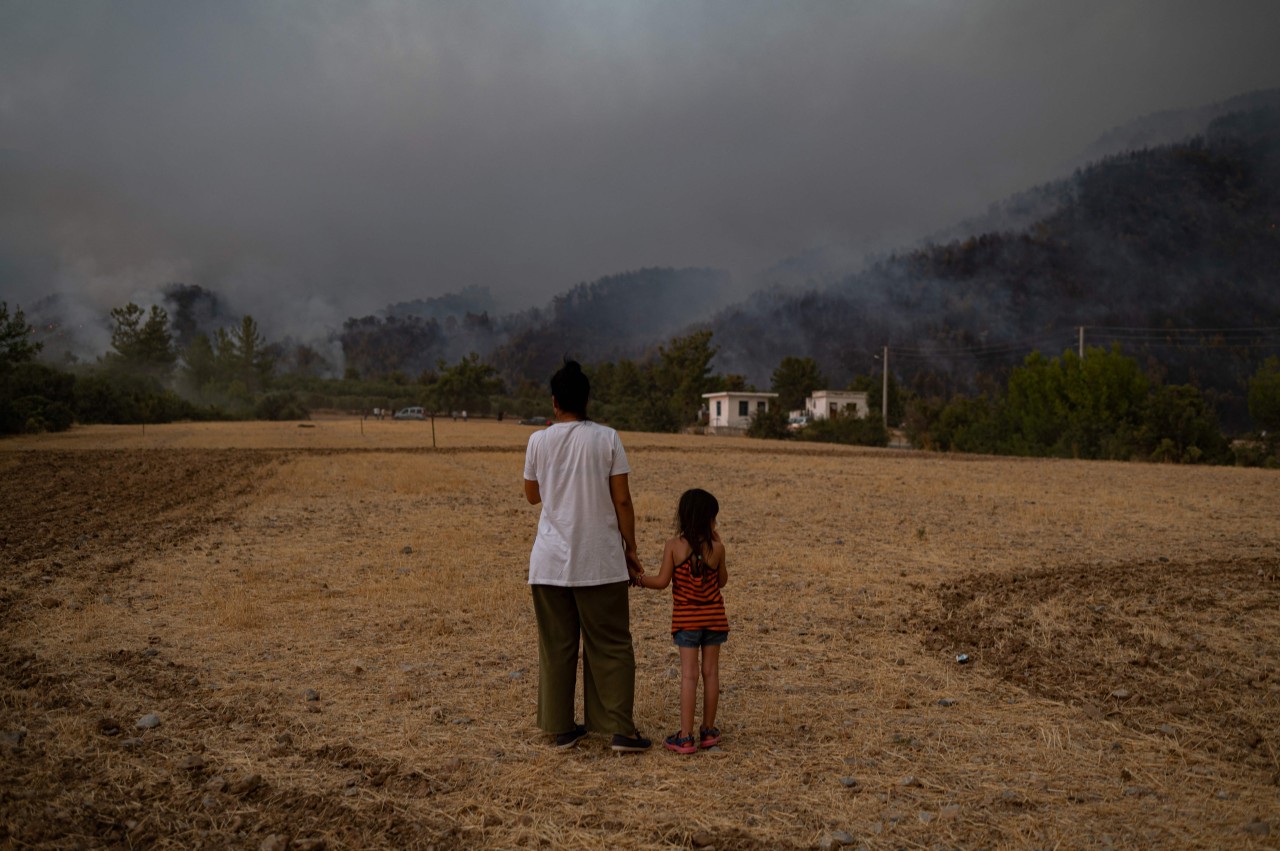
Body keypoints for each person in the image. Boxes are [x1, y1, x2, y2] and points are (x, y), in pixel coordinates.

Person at [523, 360, 651, 752]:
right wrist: (630, 549)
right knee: (611, 643)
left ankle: (561, 728)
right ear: (587, 399)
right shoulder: (608, 438)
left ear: (555, 401)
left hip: (549, 563)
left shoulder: (538, 441)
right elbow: (623, 501)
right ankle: (618, 730)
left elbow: (532, 495)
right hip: (600, 560)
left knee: (558, 645)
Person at [634, 488, 729, 753]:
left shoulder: (674, 546)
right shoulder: (718, 548)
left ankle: (685, 736)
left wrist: (638, 579)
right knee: (711, 673)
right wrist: (718, 547)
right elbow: (722, 582)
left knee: (689, 675)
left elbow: (662, 582)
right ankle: (708, 731)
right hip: (714, 618)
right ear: (708, 519)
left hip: (686, 621)